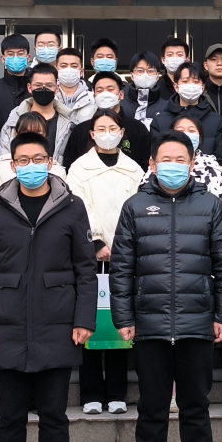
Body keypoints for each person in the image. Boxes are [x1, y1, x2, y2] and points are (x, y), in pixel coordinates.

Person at [110, 130, 222, 442]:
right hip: (150, 325)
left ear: (192, 163)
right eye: (166, 159)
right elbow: (122, 267)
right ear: (152, 164)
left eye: (180, 159)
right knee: (151, 407)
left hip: (197, 324)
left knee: (195, 406)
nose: (173, 165)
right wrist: (123, 317)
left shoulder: (210, 206)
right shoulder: (135, 206)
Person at [0, 132, 98, 442]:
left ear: (50, 162)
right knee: (10, 417)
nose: (31, 166)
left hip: (58, 326)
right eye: (23, 160)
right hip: (6, 327)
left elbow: (85, 268)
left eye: (38, 159)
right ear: (13, 166)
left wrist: (84, 319)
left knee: (54, 417)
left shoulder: (71, 207)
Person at [65, 110, 144, 416]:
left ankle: (116, 393)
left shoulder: (133, 169)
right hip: (90, 255)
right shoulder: (79, 168)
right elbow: (78, 207)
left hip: (125, 255)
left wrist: (123, 245)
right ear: (92, 133)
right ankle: (91, 394)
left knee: (119, 320)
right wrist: (96, 242)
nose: (107, 133)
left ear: (122, 133)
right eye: (101, 128)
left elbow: (137, 208)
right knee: (90, 320)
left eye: (113, 127)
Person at [142, 115, 222, 229]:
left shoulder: (213, 168)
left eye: (191, 130)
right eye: (180, 130)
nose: (186, 134)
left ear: (200, 138)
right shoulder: (155, 167)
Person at [63, 71, 152, 171]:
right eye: (99, 90)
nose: (105, 94)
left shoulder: (138, 129)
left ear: (121, 95)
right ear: (94, 96)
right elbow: (69, 166)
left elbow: (145, 166)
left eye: (110, 89)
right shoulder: (81, 130)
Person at [0, 112, 67, 211]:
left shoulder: (58, 170)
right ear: (16, 135)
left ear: (46, 136)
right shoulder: (0, 167)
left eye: (37, 134)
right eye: (26, 134)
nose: (31, 140)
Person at [150, 61, 222, 165]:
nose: (191, 85)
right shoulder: (160, 120)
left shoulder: (215, 120)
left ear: (203, 87)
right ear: (176, 87)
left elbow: (220, 159)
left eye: (196, 81)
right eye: (185, 81)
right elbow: (155, 157)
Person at [0, 63, 74, 165]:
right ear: (29, 88)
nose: (43, 89)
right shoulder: (13, 121)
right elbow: (4, 161)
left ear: (57, 88)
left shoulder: (69, 123)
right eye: (38, 85)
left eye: (49, 85)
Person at [120, 51, 170, 129]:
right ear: (132, 76)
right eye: (140, 71)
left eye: (151, 71)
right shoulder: (120, 105)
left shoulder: (166, 107)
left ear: (157, 76)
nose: (145, 74)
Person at [54, 47, 96, 125]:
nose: (68, 70)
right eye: (63, 66)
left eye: (74, 66)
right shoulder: (50, 98)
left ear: (81, 72)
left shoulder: (93, 99)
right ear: (56, 70)